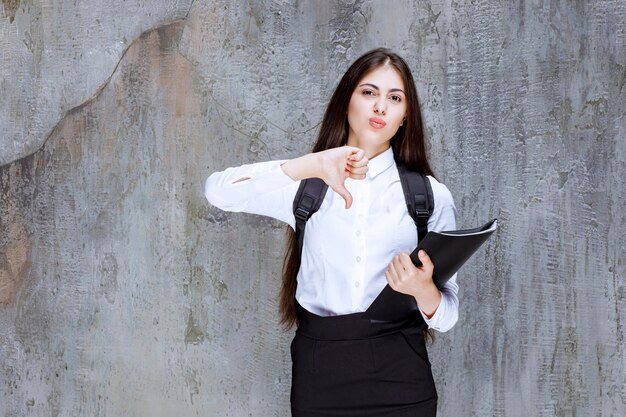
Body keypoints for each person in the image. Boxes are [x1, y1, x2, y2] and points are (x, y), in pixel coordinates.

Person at [204, 48, 458, 417]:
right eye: (369, 92)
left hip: (401, 380)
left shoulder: (430, 196)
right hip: (319, 376)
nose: (380, 107)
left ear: (405, 117)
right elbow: (218, 191)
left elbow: (448, 315)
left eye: (394, 98)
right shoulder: (307, 184)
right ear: (346, 102)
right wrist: (311, 164)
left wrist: (424, 290)